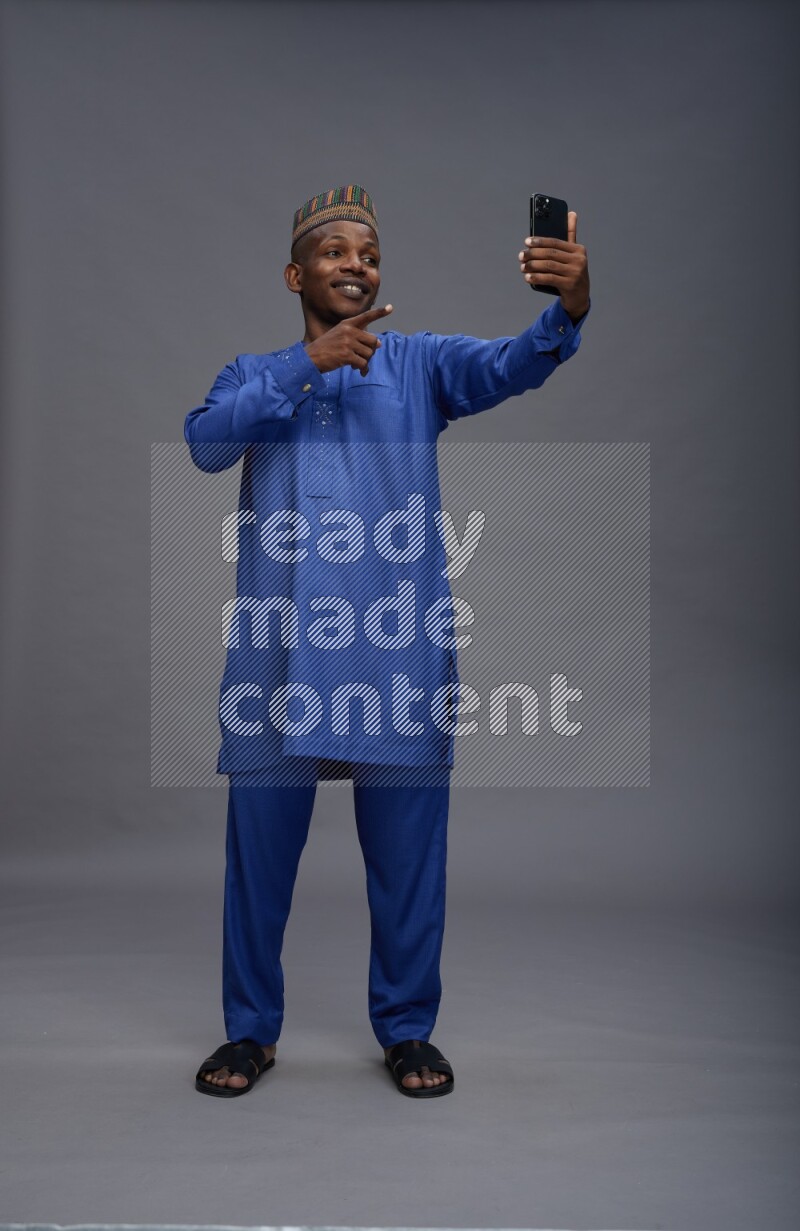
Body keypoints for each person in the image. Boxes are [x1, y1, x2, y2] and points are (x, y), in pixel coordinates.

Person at [184, 183, 590, 1098]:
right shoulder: (252, 372)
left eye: (368, 253)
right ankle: (249, 1032)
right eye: (336, 251)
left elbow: (509, 366)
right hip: (277, 661)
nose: (356, 264)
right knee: (257, 861)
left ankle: (407, 1030)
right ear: (297, 273)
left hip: (392, 653)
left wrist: (568, 308)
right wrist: (304, 368)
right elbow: (207, 444)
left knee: (408, 859)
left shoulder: (417, 366)